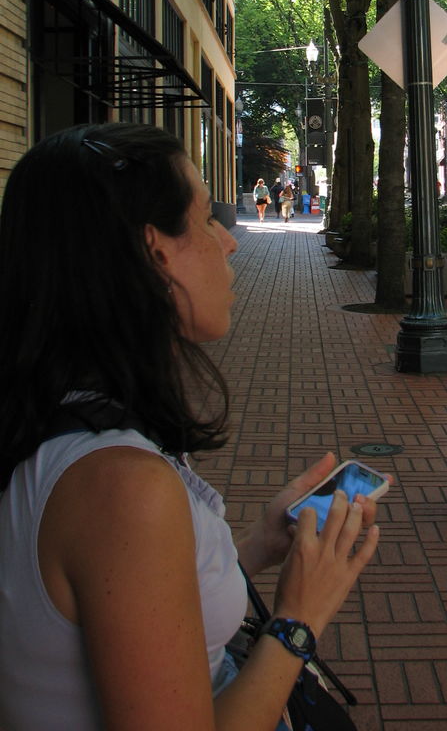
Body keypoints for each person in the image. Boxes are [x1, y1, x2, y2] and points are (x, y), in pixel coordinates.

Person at [0, 123, 381, 730]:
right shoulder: (123, 486)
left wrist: (256, 546)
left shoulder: (68, 421)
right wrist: (297, 621)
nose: (228, 242)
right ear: (155, 255)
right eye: (205, 220)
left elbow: (134, 607)